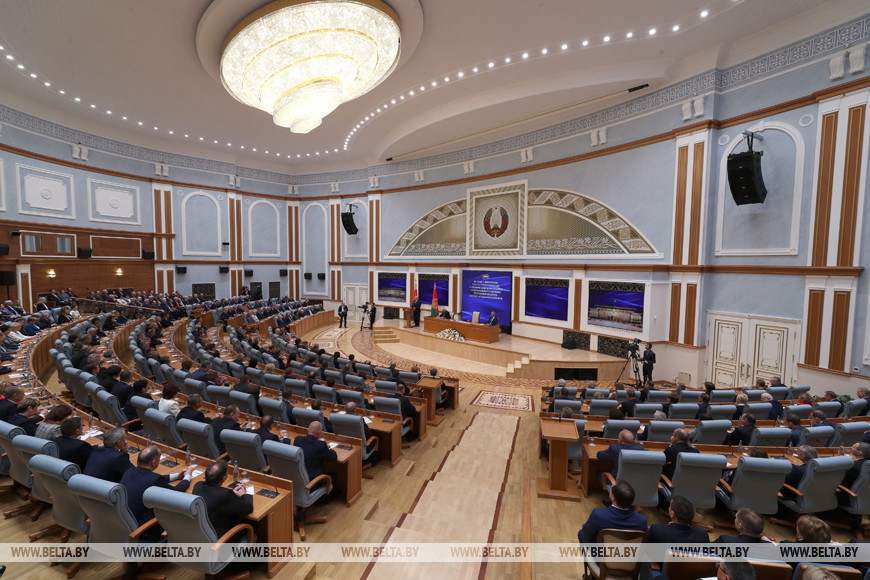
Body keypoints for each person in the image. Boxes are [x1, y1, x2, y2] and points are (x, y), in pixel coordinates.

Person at [120, 445, 193, 539]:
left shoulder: (129, 471)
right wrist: (187, 477)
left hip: (124, 524)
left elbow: (153, 478)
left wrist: (177, 476)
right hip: (144, 530)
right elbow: (176, 492)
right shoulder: (154, 480)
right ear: (154, 462)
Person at [192, 460, 254, 538]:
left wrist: (232, 494)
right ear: (224, 478)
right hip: (222, 538)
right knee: (253, 524)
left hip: (200, 535)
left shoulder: (198, 485)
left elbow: (215, 496)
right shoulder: (225, 495)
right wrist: (244, 494)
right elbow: (248, 508)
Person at [577, 480, 647, 543]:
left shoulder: (598, 515)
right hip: (630, 553)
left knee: (581, 534)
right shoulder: (642, 520)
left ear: (613, 498)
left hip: (601, 553)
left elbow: (584, 536)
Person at [292, 421, 337, 493]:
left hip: (297, 481)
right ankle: (326, 497)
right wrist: (327, 448)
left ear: (308, 430)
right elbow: (334, 457)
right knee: (333, 476)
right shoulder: (321, 445)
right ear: (319, 433)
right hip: (313, 483)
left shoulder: (297, 440)